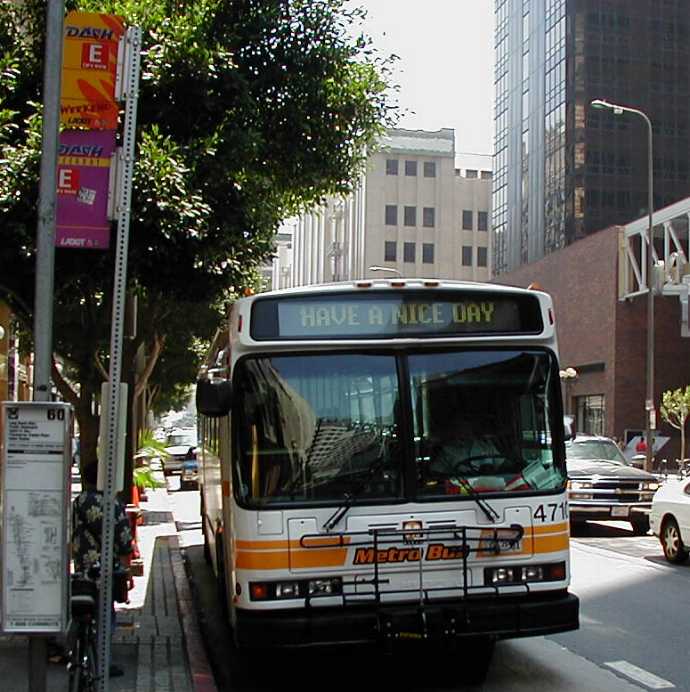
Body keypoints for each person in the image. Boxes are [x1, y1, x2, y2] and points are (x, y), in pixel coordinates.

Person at [71, 462, 133, 677]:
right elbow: (125, 540)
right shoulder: (112, 504)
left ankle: (77, 655)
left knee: (82, 609)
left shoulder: (78, 502)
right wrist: (127, 572)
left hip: (83, 568)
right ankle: (104, 663)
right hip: (106, 571)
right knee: (106, 615)